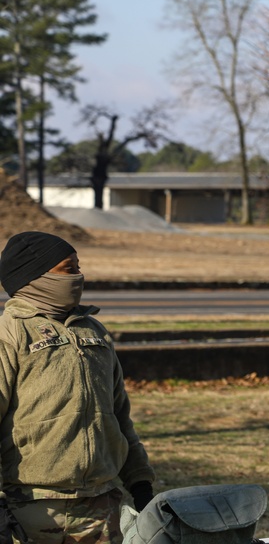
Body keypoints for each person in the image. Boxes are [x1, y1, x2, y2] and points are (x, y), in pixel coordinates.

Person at [0, 231, 155, 544]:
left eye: (78, 267)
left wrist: (141, 486)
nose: (78, 276)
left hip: (102, 505)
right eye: (68, 269)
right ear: (34, 275)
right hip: (32, 508)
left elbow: (120, 418)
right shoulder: (11, 332)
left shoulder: (94, 331)